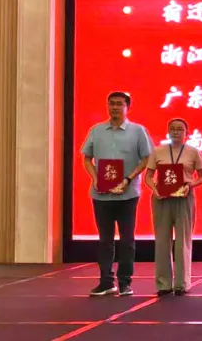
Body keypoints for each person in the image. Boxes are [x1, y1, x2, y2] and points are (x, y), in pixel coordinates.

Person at [81, 91, 152, 297]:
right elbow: (87, 158)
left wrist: (129, 179)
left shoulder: (138, 131)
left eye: (119, 104)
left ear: (127, 107)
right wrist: (95, 178)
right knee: (105, 240)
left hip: (127, 194)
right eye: (111, 103)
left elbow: (147, 158)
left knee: (127, 240)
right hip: (101, 194)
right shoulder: (96, 130)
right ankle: (106, 282)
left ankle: (125, 282)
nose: (114, 107)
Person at [144, 118, 202, 296]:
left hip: (184, 198)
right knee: (162, 241)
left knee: (183, 241)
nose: (176, 132)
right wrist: (154, 189)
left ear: (187, 133)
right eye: (172, 129)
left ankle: (182, 284)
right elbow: (148, 176)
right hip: (161, 198)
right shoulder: (158, 151)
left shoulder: (193, 152)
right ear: (168, 131)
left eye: (180, 129)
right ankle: (163, 284)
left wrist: (190, 185)